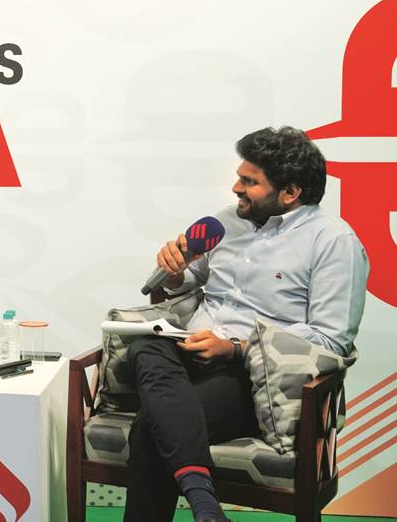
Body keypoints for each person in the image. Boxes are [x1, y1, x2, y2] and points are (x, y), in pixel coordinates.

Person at [125, 127, 368, 522]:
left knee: (151, 428)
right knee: (144, 346)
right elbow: (187, 281)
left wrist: (238, 347)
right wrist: (173, 272)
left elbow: (331, 339)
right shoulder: (224, 224)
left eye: (250, 182)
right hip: (188, 351)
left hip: (252, 376)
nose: (236, 187)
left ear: (289, 192)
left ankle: (201, 500)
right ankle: (205, 503)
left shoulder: (333, 242)